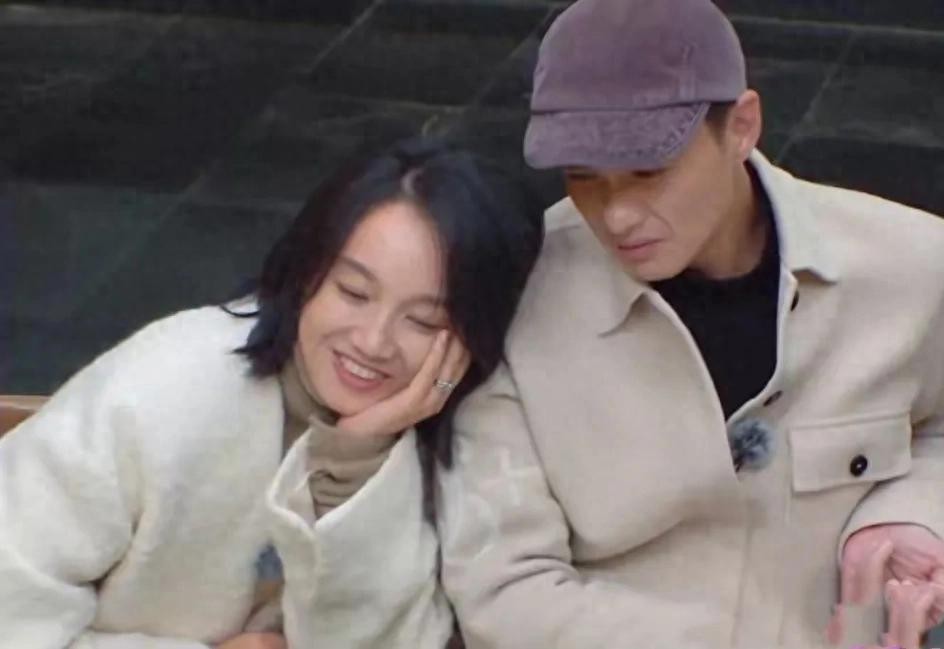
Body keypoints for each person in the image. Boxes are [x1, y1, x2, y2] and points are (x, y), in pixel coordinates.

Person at [437, 1, 944, 648]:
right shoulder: (515, 295)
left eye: (649, 170)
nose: (618, 214)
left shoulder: (920, 268)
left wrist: (915, 514)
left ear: (742, 126)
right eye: (582, 176)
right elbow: (503, 586)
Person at [0, 137, 543, 649]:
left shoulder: (479, 436)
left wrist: (355, 461)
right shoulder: (168, 386)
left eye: (424, 321)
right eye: (353, 292)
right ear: (306, 272)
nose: (373, 341)